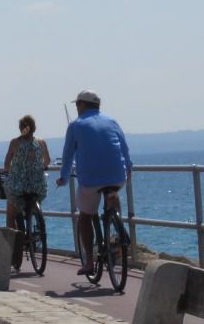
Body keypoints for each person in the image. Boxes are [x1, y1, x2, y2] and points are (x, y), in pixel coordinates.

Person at [56, 90, 132, 275]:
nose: (76, 108)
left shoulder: (76, 125)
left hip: (90, 180)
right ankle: (117, 226)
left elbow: (67, 155)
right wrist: (128, 168)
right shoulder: (112, 121)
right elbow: (124, 148)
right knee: (113, 193)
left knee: (85, 216)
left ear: (82, 105)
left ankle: (89, 261)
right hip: (118, 176)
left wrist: (64, 177)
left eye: (77, 105)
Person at [2, 114, 52, 267]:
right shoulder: (41, 143)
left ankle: (12, 249)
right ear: (33, 127)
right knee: (34, 204)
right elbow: (47, 161)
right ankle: (34, 222)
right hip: (37, 186)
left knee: (10, 216)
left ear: (20, 128)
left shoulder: (14, 143)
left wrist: (16, 171)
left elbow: (6, 164)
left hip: (19, 187)